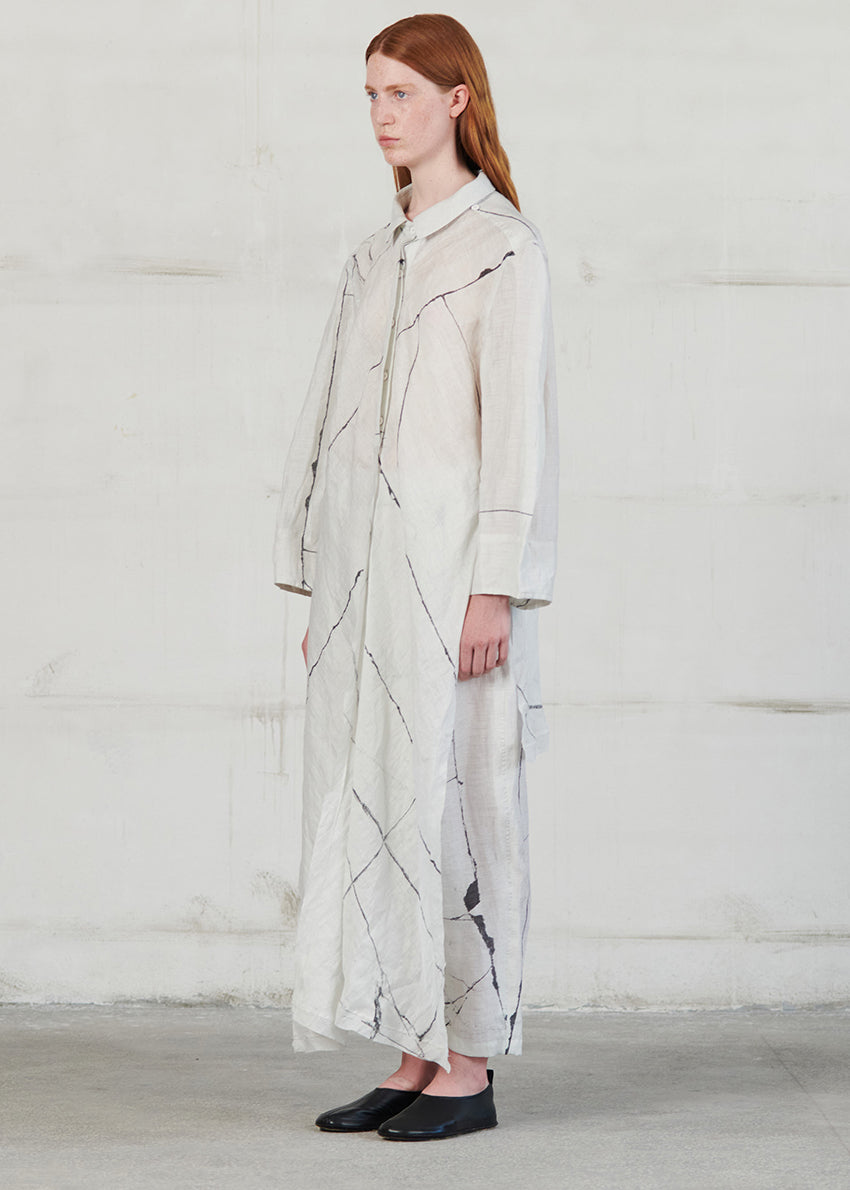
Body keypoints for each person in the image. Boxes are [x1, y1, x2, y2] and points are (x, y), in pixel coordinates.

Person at [273, 13, 558, 1141]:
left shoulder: (503, 249)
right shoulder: (373, 252)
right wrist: (322, 584)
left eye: (400, 92)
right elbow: (324, 419)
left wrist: (495, 582)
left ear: (456, 99)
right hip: (369, 580)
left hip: (452, 578)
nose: (382, 114)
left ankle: (472, 1066)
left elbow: (517, 430)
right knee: (381, 804)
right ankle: (412, 1048)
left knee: (463, 808)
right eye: (371, 95)